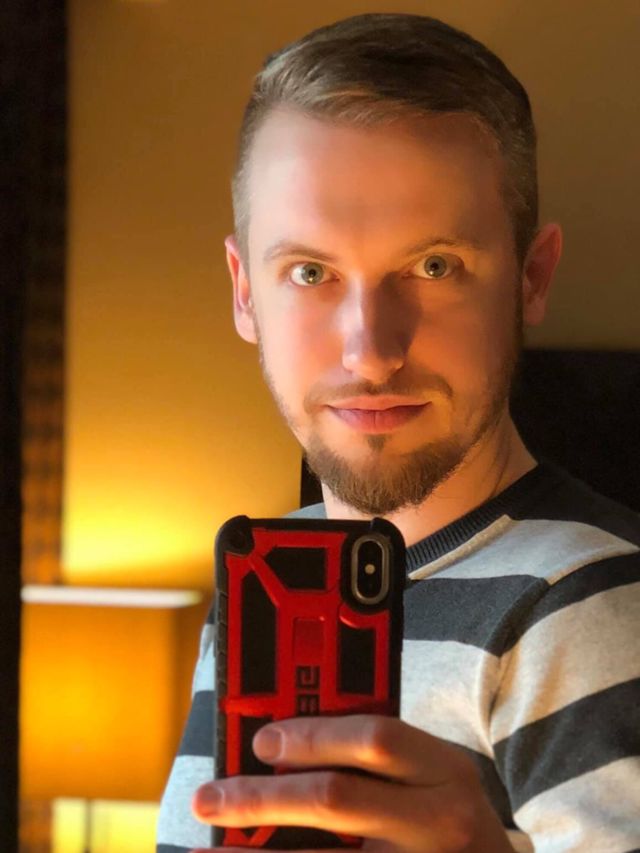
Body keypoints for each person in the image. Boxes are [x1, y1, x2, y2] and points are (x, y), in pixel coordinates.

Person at [157, 13, 640, 853]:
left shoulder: (593, 606)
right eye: (310, 271)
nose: (371, 351)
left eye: (434, 266)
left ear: (532, 277)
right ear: (244, 291)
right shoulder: (263, 588)